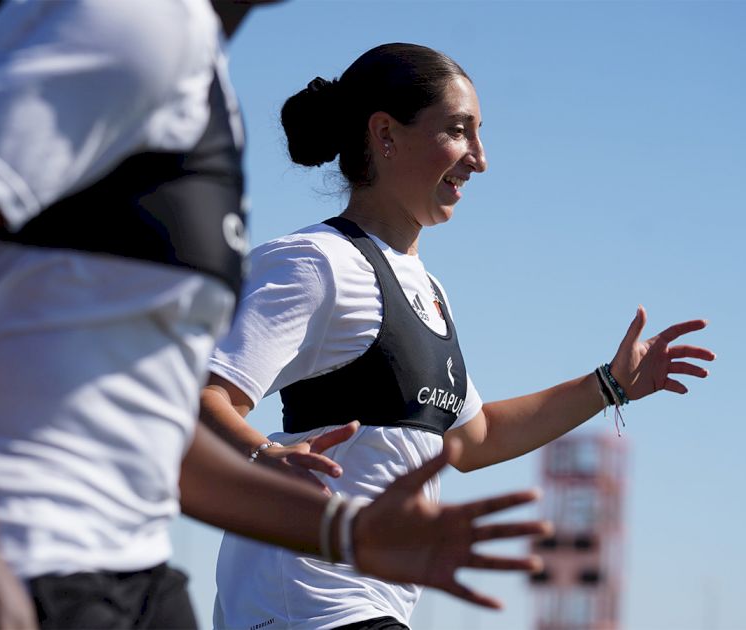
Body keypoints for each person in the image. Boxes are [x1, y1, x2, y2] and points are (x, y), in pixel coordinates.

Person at [0, 4, 553, 629]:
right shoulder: (144, 29)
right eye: (460, 131)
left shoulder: (201, 84)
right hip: (9, 561)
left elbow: (158, 430)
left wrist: (353, 533)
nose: (480, 158)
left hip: (131, 569)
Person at [203, 42, 716, 629]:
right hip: (307, 600)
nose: (480, 158)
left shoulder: (429, 290)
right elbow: (201, 394)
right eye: (458, 131)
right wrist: (265, 455)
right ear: (385, 135)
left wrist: (611, 384)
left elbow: (474, 438)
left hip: (366, 604)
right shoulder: (317, 263)